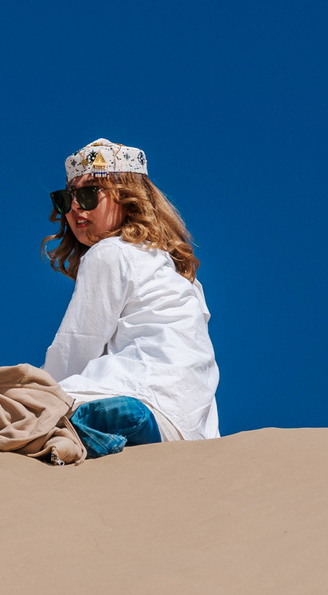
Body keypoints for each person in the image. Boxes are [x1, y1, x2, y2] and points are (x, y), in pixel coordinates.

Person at [40, 138, 220, 454]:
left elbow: (75, 349)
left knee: (15, 406)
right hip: (190, 429)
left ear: (128, 198)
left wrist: (32, 401)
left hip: (141, 398)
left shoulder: (109, 253)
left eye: (87, 194)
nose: (76, 208)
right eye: (65, 199)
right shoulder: (179, 273)